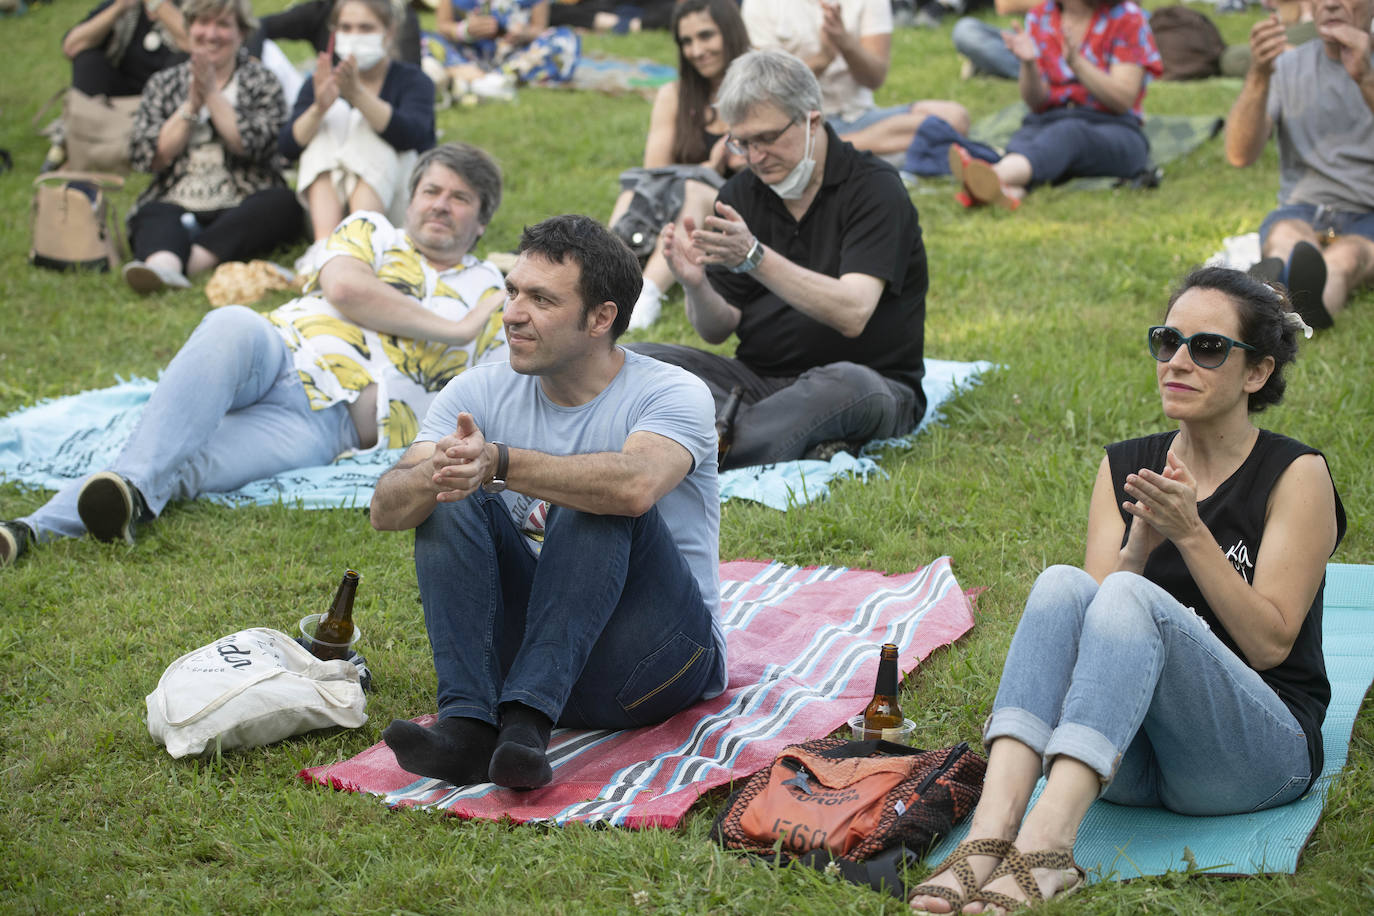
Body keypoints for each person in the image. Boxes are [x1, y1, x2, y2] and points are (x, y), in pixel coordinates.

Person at [907, 267, 1345, 914]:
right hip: (1128, 763)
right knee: (1064, 585)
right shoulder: (1124, 465)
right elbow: (1094, 628)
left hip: (1253, 758)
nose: (1178, 361)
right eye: (1168, 341)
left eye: (1209, 348)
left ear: (1257, 373)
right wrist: (1140, 547)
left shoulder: (1295, 475)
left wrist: (1191, 535)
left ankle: (1049, 848)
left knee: (1130, 597)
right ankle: (991, 837)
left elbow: (1272, 643)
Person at [0, 144, 507, 569]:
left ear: (481, 220)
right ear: (411, 200)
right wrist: (455, 329)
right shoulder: (372, 230)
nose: (441, 205)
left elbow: (500, 387)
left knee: (183, 462)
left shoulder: (495, 292)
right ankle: (122, 488)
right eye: (432, 191)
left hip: (322, 427)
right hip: (275, 354)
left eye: (460, 198)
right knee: (232, 322)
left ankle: (30, 528)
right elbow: (347, 289)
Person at [370, 214, 725, 791]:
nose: (512, 312)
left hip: (652, 663)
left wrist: (502, 463)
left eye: (541, 299)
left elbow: (633, 485)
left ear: (600, 318)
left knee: (598, 498)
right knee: (449, 487)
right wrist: (440, 469)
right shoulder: (475, 390)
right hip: (527, 652)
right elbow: (386, 512)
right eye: (512, 291)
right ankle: (468, 728)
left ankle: (528, 727)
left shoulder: (672, 391)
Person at [633, 49, 928, 469]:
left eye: (767, 138)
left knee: (842, 386)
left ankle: (695, 452)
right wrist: (696, 284)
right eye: (742, 142)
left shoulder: (876, 189)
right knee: (639, 362)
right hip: (756, 380)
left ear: (812, 120)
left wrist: (755, 257)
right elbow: (718, 330)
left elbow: (853, 312)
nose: (754, 157)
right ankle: (773, 437)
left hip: (870, 383)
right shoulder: (740, 194)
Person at [121, 0, 304, 294]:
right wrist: (192, 104)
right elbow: (150, 156)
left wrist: (211, 94)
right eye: (202, 23)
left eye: (222, 24)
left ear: (241, 33)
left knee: (282, 205)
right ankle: (163, 265)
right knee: (152, 214)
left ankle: (192, 261)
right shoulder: (164, 82)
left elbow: (252, 145)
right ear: (190, 28)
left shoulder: (261, 80)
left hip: (243, 197)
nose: (211, 33)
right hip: (178, 195)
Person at [1223, 0, 1374, 331]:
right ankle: (1278, 301)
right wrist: (1259, 75)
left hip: (1368, 216)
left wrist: (1365, 79)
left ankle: (1286, 317)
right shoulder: (1288, 65)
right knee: (1284, 240)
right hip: (1302, 209)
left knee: (1345, 259)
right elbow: (1239, 154)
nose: (1331, 4)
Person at [609, 0, 750, 330]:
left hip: (734, 212)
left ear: (730, 33)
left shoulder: (758, 90)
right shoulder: (675, 93)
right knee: (633, 192)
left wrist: (740, 164)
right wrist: (711, 164)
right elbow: (654, 171)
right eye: (687, 42)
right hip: (670, 203)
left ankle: (648, 293)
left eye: (706, 36)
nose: (696, 50)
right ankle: (604, 280)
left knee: (697, 188)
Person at [948, 0, 1162, 210]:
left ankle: (993, 176)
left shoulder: (1127, 16)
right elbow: (1036, 102)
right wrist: (1029, 64)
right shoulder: (1040, 16)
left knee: (1067, 135)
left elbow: (1122, 100)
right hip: (1047, 122)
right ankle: (1008, 193)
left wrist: (1077, 64)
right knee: (1031, 141)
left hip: (1116, 129)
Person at [280, 0, 435, 264]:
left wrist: (359, 96)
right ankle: (324, 246)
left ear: (388, 33)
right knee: (329, 119)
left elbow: (412, 136)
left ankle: (358, 246)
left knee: (368, 126)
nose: (354, 36)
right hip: (328, 208)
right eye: (346, 27)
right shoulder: (321, 81)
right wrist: (319, 107)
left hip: (395, 209)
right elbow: (287, 147)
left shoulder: (413, 80)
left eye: (365, 28)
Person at [741, 0, 969, 156]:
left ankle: (837, 151)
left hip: (861, 118)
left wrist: (846, 43)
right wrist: (823, 58)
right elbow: (769, 92)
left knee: (954, 118)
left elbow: (875, 78)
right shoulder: (760, 5)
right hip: (801, 125)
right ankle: (873, 151)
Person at [425, 0, 581, 95]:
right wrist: (464, 30)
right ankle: (485, 79)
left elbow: (539, 29)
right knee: (421, 38)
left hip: (514, 56)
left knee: (565, 39)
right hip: (465, 54)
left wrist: (523, 33)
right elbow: (442, 26)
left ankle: (479, 79)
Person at [63, 0, 190, 98]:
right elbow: (71, 47)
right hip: (123, 100)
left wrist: (158, 4)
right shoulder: (126, 7)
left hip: (172, 100)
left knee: (186, 58)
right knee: (87, 60)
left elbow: (196, 43)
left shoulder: (192, 5)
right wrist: (119, 8)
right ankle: (88, 123)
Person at [951, 0, 1038, 80]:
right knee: (965, 29)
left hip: (1042, 48)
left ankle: (1034, 72)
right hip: (1028, 37)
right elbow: (1004, 4)